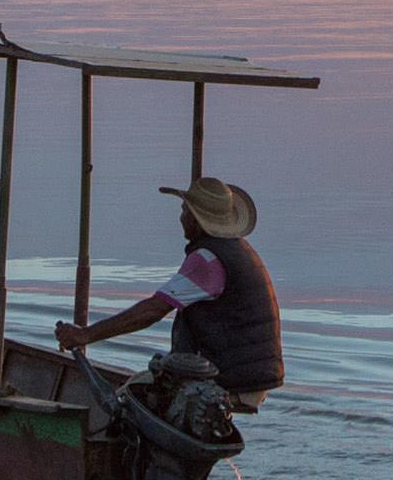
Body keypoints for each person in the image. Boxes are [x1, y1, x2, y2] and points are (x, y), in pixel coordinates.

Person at [54, 175, 283, 410]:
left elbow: (152, 311)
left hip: (234, 380)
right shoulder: (237, 249)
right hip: (250, 375)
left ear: (196, 219)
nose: (181, 217)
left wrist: (85, 335)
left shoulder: (207, 259)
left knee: (124, 403)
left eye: (185, 211)